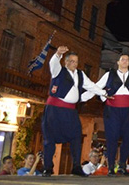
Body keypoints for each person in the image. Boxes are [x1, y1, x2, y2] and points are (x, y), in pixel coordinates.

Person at [41, 46, 107, 177]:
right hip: (54, 110)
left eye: (76, 61)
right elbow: (53, 63)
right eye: (71, 61)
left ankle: (76, 166)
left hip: (71, 111)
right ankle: (47, 167)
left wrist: (104, 93)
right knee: (49, 138)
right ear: (65, 62)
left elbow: (91, 86)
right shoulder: (58, 71)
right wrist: (58, 54)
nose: (74, 64)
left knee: (76, 136)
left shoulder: (80, 74)